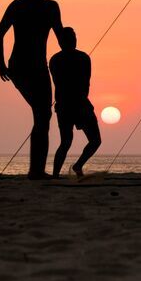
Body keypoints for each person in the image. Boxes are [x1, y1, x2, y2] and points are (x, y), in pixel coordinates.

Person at [0, 0, 63, 179]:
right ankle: (36, 170)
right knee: (42, 114)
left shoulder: (52, 7)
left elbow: (60, 37)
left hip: (40, 67)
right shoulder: (19, 4)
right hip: (20, 67)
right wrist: (1, 65)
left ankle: (37, 169)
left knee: (44, 115)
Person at [49, 27, 101, 178]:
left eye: (74, 38)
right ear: (61, 42)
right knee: (67, 141)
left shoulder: (81, 58)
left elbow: (86, 82)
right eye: (70, 39)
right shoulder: (57, 59)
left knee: (94, 140)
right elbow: (65, 82)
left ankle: (77, 166)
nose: (73, 41)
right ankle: (56, 174)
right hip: (68, 105)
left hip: (76, 104)